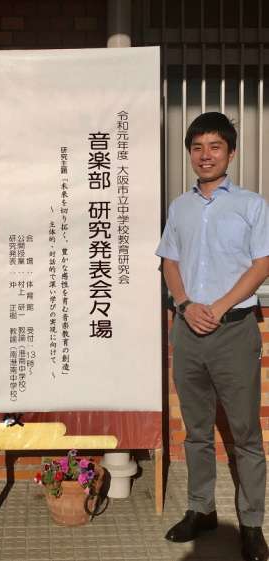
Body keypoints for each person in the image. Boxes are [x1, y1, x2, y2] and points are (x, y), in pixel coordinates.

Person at [156, 112, 269, 561]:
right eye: (197, 147)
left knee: (246, 434)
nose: (205, 155)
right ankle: (201, 509)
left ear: (231, 153)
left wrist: (218, 307)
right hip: (188, 331)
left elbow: (262, 264)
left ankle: (252, 524)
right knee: (197, 430)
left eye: (215, 146)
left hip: (234, 330)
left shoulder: (252, 205)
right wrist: (185, 304)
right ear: (190, 153)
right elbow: (170, 260)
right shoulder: (179, 207)